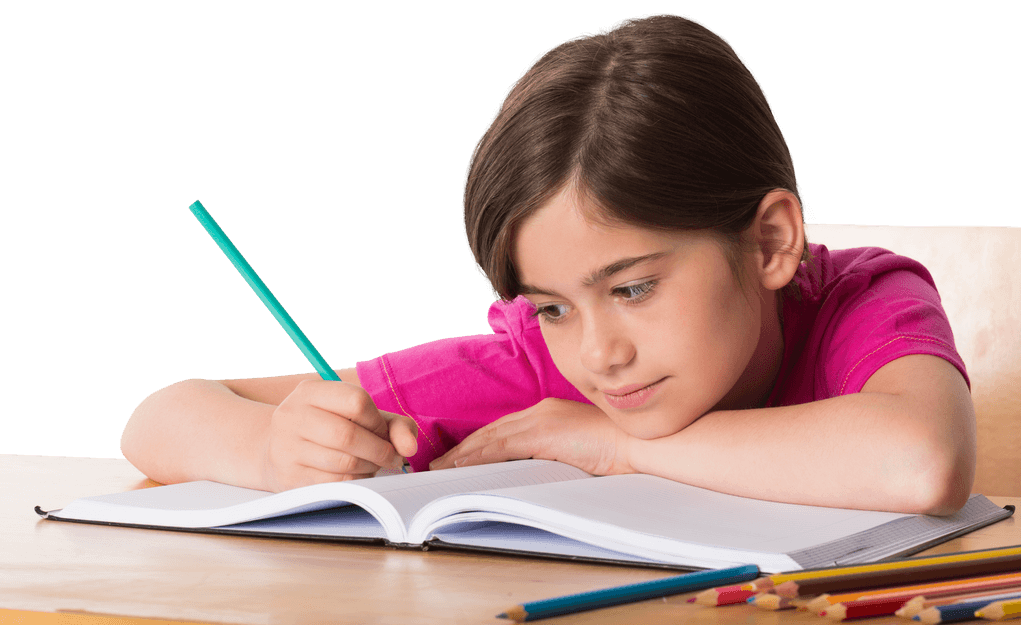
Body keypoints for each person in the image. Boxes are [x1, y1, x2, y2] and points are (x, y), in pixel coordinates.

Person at [121, 14, 975, 515]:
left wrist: (609, 445)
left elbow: (920, 462)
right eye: (555, 304)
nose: (598, 354)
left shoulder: (863, 303)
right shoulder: (540, 366)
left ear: (770, 242)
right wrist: (280, 453)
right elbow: (160, 417)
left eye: (634, 288)